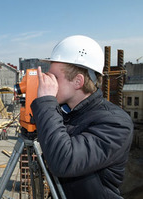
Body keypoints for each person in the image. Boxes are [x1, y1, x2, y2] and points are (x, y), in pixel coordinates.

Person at [30, 35, 133, 199]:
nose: (48, 82)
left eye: (54, 78)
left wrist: (46, 103)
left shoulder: (116, 122)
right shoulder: (67, 113)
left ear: (78, 81)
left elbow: (63, 161)